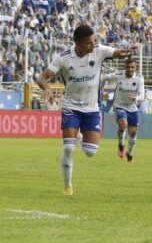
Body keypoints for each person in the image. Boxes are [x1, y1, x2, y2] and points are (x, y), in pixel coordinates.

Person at [37, 25, 136, 195]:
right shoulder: (63, 58)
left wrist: (126, 51)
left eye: (94, 41)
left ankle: (80, 136)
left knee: (90, 152)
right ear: (78, 43)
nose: (93, 45)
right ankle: (67, 185)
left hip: (92, 107)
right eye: (89, 43)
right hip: (71, 106)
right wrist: (46, 87)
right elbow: (41, 77)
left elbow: (117, 52)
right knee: (68, 148)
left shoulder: (98, 50)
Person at [101, 58, 145, 162]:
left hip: (132, 108)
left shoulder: (139, 78)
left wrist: (136, 98)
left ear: (135, 67)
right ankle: (121, 145)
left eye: (132, 67)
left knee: (133, 133)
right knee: (123, 125)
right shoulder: (118, 75)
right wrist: (101, 92)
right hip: (119, 105)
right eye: (128, 67)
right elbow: (104, 78)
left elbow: (142, 95)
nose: (130, 69)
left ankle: (129, 154)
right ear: (124, 67)